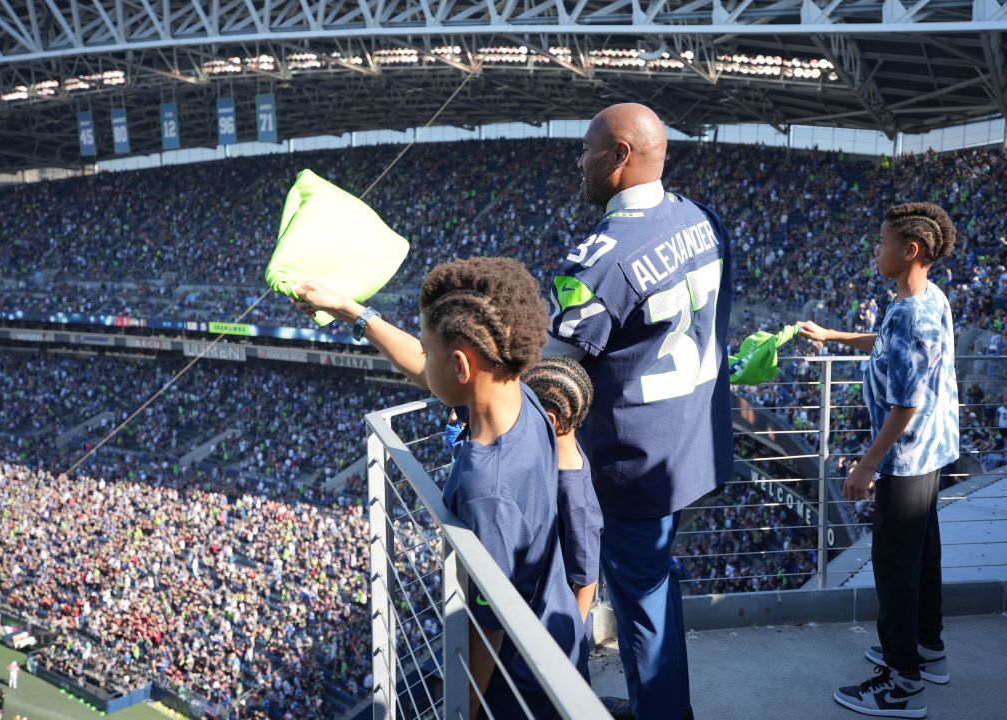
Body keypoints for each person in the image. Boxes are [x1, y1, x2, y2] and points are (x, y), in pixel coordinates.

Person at [292, 257, 586, 720]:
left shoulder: (485, 488)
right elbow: (432, 369)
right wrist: (354, 313)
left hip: (521, 690)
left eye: (429, 350)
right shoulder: (519, 398)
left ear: (461, 366)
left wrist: (461, 710)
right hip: (558, 641)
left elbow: (487, 628)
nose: (424, 360)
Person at [543, 102, 733, 720]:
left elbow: (550, 372)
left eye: (587, 149)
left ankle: (662, 709)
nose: (579, 161)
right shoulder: (703, 219)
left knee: (642, 598)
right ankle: (661, 700)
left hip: (633, 459)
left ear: (619, 156)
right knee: (652, 580)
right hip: (692, 444)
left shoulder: (599, 260)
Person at [798, 201, 960, 718]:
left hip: (906, 460)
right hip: (933, 451)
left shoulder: (913, 314)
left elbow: (906, 402)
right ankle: (926, 647)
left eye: (882, 241)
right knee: (922, 555)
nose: (875, 248)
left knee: (893, 565)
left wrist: (868, 463)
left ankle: (902, 681)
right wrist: (835, 336)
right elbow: (888, 346)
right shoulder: (926, 297)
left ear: (909, 250)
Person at [521, 357, 603, 626]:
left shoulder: (575, 497)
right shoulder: (563, 453)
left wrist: (573, 640)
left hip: (557, 628)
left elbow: (586, 578)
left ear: (550, 420)